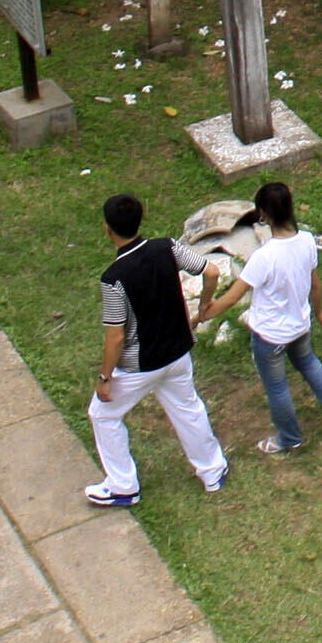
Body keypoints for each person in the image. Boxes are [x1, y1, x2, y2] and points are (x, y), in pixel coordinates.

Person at [196, 180, 322, 456]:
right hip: (300, 326)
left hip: (270, 336)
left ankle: (290, 438)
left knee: (277, 387)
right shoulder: (307, 242)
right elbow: (315, 284)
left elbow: (233, 297)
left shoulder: (264, 257)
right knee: (311, 366)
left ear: (263, 214)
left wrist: (204, 314)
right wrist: (320, 311)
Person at [86, 192, 228, 507]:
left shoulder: (113, 279)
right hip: (178, 352)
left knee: (102, 414)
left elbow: (116, 338)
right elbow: (211, 272)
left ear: (108, 229)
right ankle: (213, 471)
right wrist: (204, 304)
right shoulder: (167, 247)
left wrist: (105, 377)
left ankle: (123, 486)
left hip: (141, 364)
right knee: (187, 409)